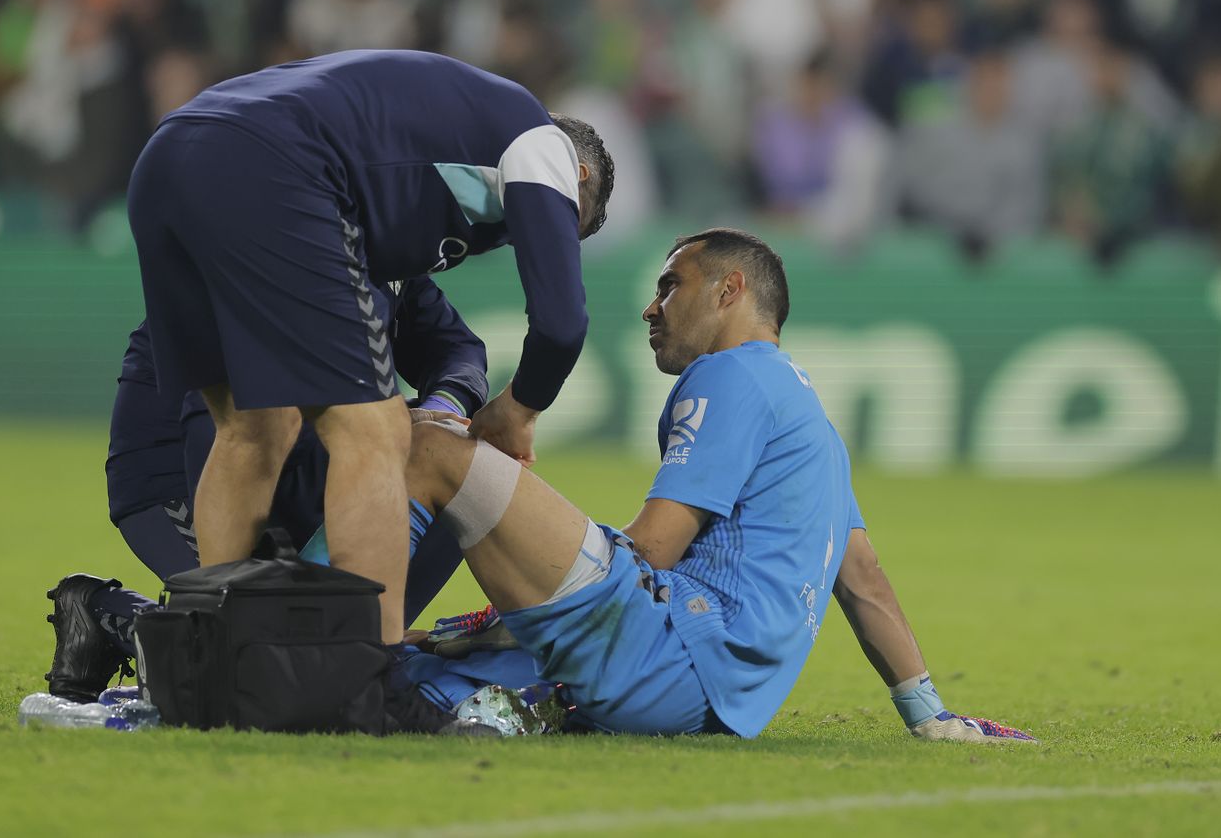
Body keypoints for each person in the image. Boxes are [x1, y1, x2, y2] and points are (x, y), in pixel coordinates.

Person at [401, 229, 1033, 741]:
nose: (652, 308)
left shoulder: (731, 375)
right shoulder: (812, 423)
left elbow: (651, 551)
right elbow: (862, 578)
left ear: (731, 290)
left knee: (435, 445)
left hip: (668, 655)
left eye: (671, 286)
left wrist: (505, 611)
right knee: (418, 664)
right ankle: (497, 698)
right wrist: (930, 714)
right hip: (711, 706)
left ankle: (336, 618)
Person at [123, 51, 615, 680]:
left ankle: (215, 657)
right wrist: (520, 407)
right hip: (271, 164)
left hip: (170, 152)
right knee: (377, 433)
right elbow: (561, 324)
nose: (539, 235)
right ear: (573, 174)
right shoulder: (537, 140)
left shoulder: (438, 152)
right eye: (569, 218)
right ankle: (369, 680)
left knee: (253, 430)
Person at [43, 275, 487, 706]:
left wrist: (441, 409)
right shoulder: (281, 232)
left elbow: (455, 348)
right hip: (182, 465)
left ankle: (359, 643)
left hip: (314, 468)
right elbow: (232, 427)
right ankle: (104, 612)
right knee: (253, 671)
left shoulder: (391, 248)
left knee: (455, 466)